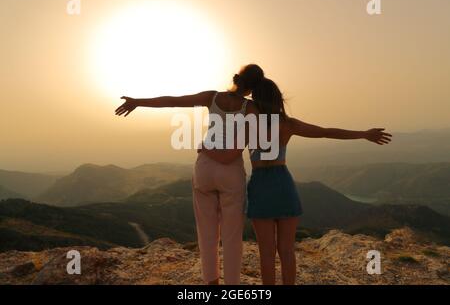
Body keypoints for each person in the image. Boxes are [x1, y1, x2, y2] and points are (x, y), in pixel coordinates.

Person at [201, 73, 392, 285]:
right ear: (278, 99)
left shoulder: (249, 125)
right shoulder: (288, 124)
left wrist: (207, 151)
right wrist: (364, 134)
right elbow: (326, 132)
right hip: (283, 184)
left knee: (266, 253)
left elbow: (229, 153)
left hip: (261, 186)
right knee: (287, 251)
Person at [115, 64, 264, 285]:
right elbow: (232, 153)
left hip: (204, 168)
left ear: (238, 78)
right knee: (232, 237)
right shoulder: (251, 109)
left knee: (206, 234)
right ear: (253, 88)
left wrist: (138, 102)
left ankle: (210, 284)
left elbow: (172, 100)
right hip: (230, 172)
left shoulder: (212, 97)